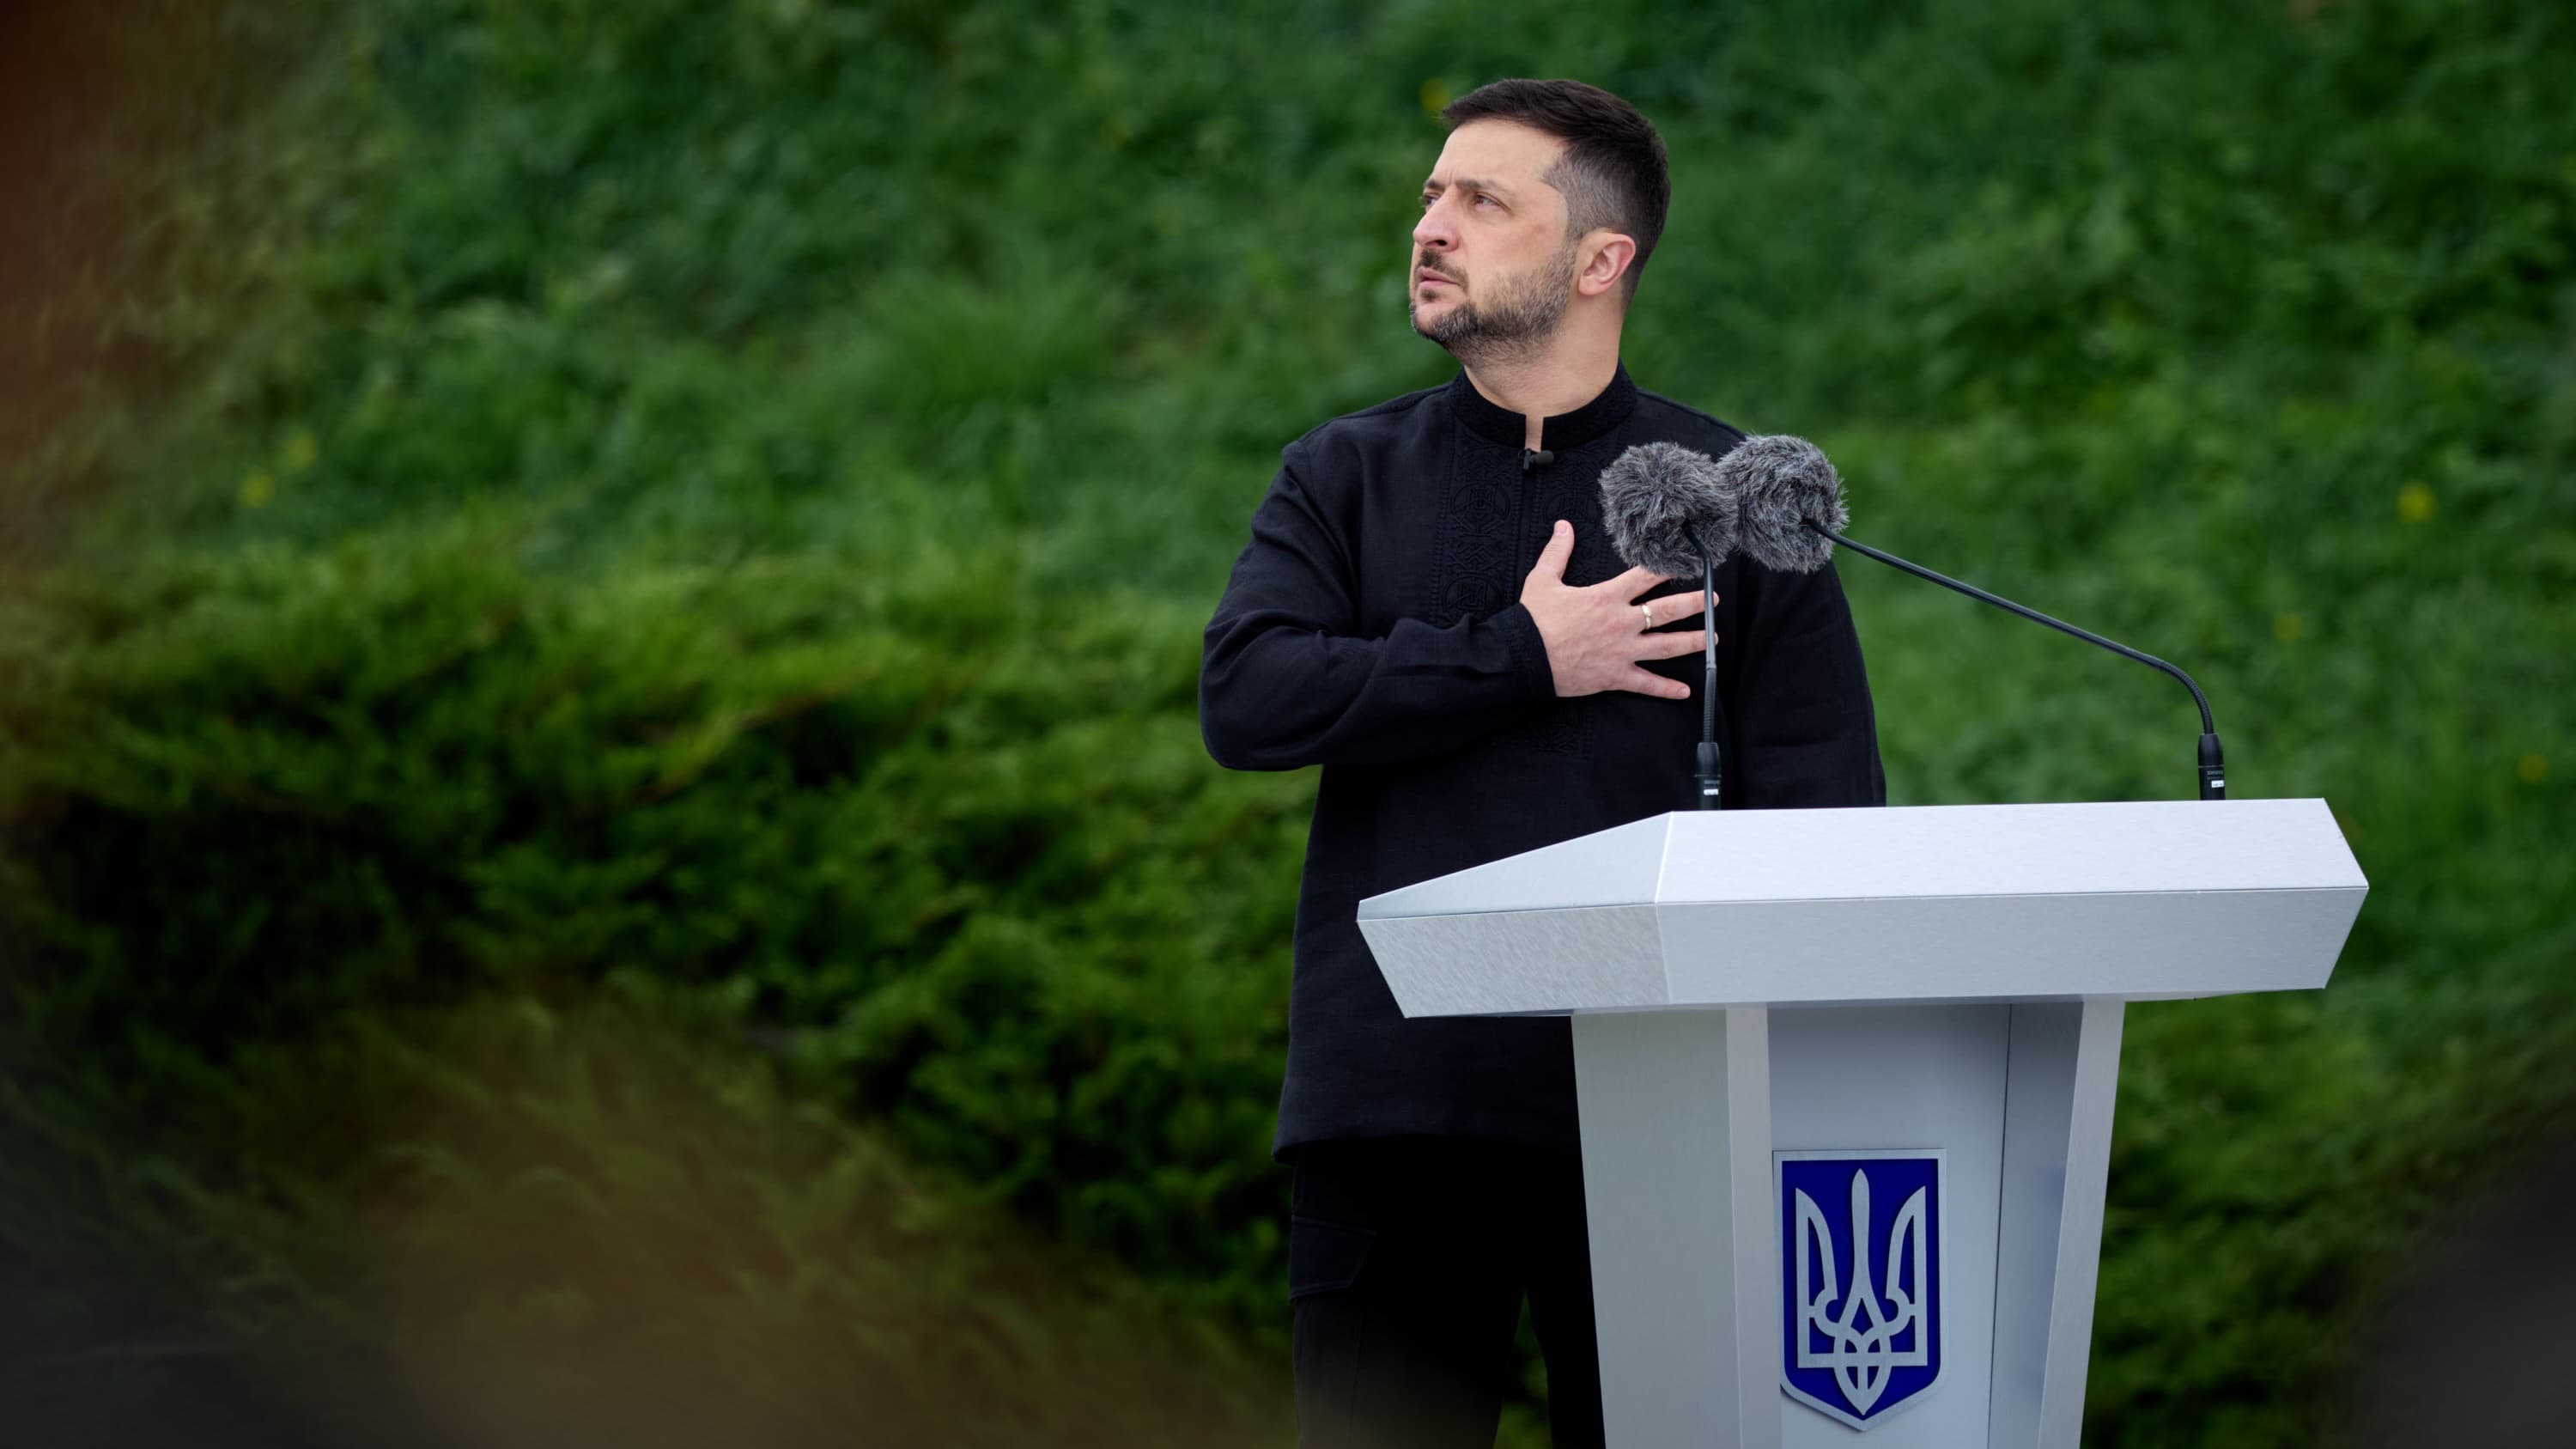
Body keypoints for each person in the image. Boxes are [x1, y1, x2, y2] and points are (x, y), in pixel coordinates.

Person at [1198, 77, 1885, 1448]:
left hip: (1667, 1107)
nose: (1431, 226)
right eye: (1431, 195)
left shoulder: (1735, 498)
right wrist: (1523, 655)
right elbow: (1248, 697)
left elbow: (1828, 825)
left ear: (1599, 259)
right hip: (1393, 1106)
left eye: (1480, 200)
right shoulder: (1342, 475)